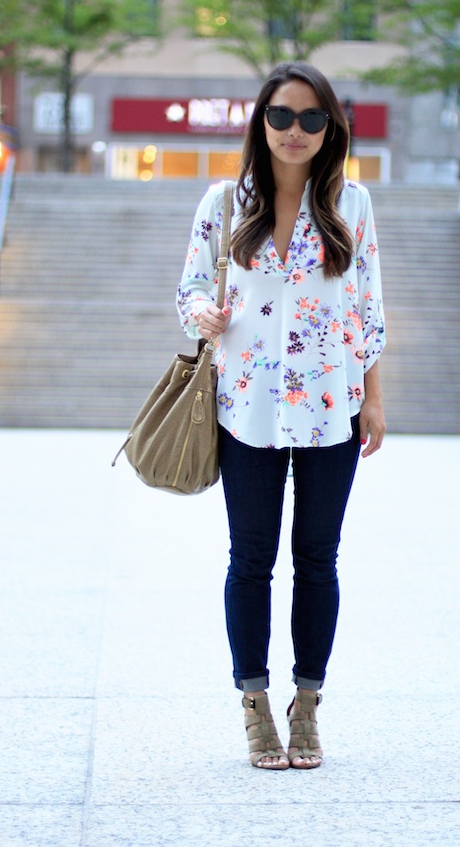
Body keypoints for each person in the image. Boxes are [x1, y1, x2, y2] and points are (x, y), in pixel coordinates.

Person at [177, 61, 386, 770]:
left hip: (333, 409)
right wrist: (203, 311)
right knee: (251, 561)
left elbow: (367, 310)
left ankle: (308, 708)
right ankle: (255, 705)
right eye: (281, 116)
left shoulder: (352, 205)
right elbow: (192, 286)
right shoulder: (223, 202)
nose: (294, 131)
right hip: (248, 410)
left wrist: (376, 399)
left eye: (311, 119)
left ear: (331, 129)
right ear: (260, 123)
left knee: (319, 561)